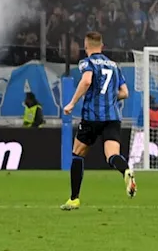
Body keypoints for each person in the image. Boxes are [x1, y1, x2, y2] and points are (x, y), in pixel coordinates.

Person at [60, 31, 135, 211]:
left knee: (78, 153)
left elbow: (86, 81)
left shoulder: (88, 62)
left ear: (86, 46)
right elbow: (125, 93)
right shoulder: (114, 66)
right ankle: (126, 171)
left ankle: (74, 199)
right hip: (113, 118)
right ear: (102, 46)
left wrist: (71, 103)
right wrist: (109, 97)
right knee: (112, 156)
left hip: (92, 117)